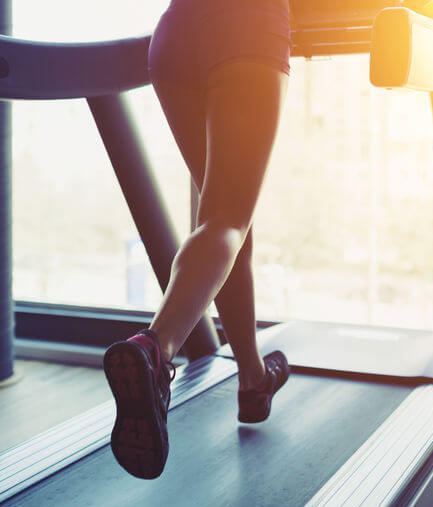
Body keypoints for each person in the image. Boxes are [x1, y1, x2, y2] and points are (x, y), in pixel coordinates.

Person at [102, 0, 292, 480]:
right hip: (247, 25)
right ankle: (155, 349)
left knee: (224, 221)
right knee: (227, 220)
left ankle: (252, 381)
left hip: (175, 35)